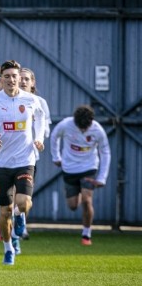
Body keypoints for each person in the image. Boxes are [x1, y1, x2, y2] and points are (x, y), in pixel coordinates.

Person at [0, 60, 45, 266]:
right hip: (1, 163)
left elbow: (40, 118)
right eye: (7, 76)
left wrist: (38, 137)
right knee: (4, 213)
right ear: (1, 79)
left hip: (25, 160)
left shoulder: (31, 100)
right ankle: (8, 248)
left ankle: (21, 216)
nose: (12, 80)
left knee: (22, 203)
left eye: (15, 76)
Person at [50, 105, 111, 246]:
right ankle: (75, 192)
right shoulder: (65, 124)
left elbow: (105, 152)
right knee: (73, 206)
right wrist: (56, 157)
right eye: (80, 127)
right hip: (69, 169)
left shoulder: (98, 130)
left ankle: (86, 234)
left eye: (86, 128)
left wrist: (102, 177)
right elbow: (54, 137)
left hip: (89, 168)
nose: (83, 130)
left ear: (91, 122)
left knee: (87, 200)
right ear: (75, 121)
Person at [15, 67, 52, 240]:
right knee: (12, 196)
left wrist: (39, 138)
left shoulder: (39, 102)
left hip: (29, 155)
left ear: (32, 82)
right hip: (8, 154)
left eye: (26, 79)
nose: (22, 81)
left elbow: (46, 127)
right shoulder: (8, 100)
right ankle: (15, 235)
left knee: (24, 197)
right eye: (20, 78)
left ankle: (20, 220)